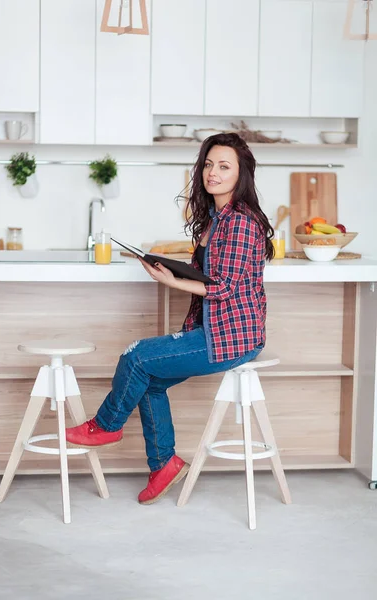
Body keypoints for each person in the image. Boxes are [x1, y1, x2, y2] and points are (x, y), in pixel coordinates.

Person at [66, 132, 274, 505]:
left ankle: (106, 425)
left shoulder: (240, 222)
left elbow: (224, 287)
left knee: (136, 357)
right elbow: (208, 275)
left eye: (224, 166)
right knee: (149, 380)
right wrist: (170, 268)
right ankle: (163, 464)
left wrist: (172, 281)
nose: (213, 172)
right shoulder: (215, 218)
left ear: (241, 175)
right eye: (209, 164)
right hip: (211, 330)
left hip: (230, 337)